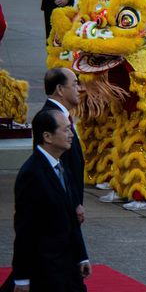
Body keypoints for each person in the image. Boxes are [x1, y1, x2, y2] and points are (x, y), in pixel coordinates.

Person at [0, 110, 100, 292]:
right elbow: (25, 229)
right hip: (46, 268)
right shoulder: (32, 174)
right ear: (47, 136)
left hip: (68, 265)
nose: (71, 134)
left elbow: (72, 219)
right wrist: (21, 277)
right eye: (66, 130)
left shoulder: (61, 165)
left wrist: (82, 256)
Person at [42, 67, 86, 222]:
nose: (80, 89)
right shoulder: (50, 118)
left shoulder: (60, 116)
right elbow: (58, 167)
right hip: (63, 209)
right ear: (60, 90)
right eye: (74, 84)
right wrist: (74, 203)